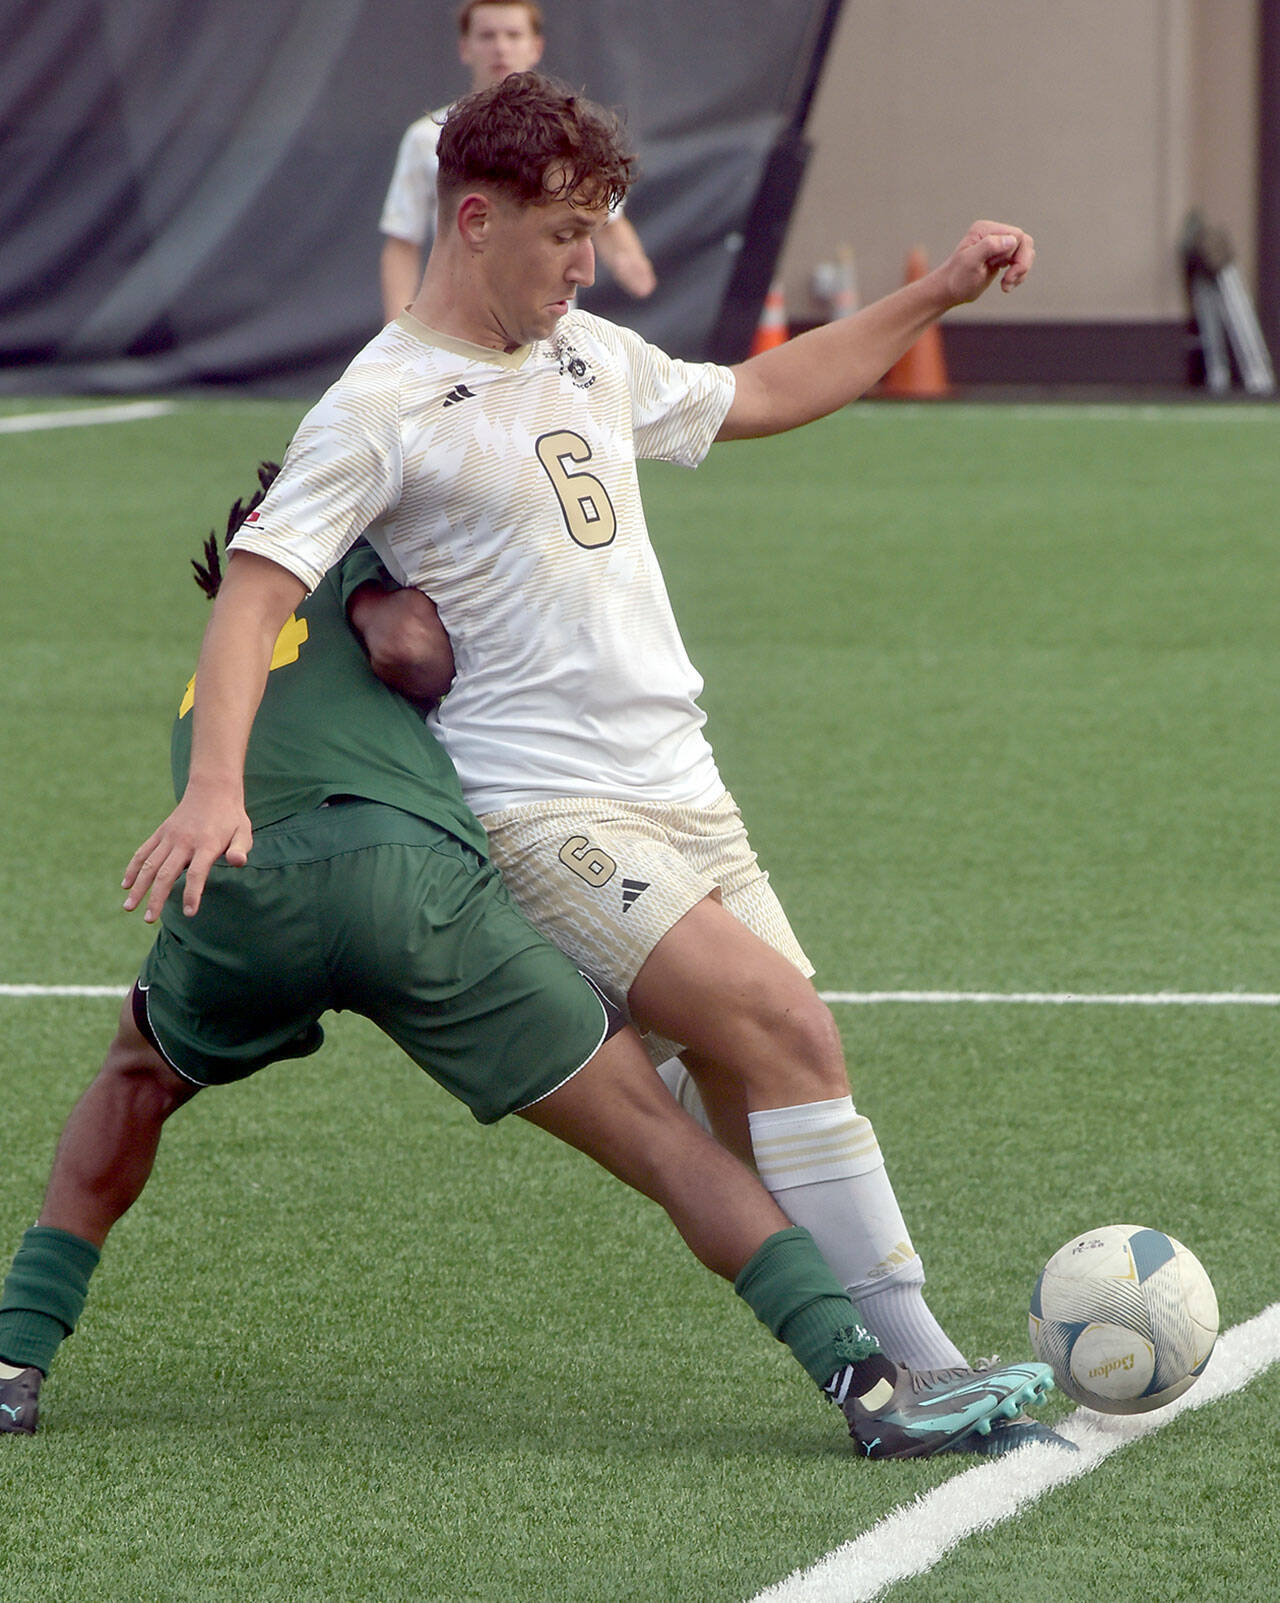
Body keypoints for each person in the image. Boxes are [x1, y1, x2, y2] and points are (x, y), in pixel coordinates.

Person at [122, 74, 1066, 1455]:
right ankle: (921, 1373)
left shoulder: (592, 353)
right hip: (544, 805)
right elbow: (253, 593)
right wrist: (214, 787)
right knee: (796, 1032)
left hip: (688, 785)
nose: (586, 260)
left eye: (595, 231)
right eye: (563, 234)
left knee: (755, 1094)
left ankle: (666, 1116)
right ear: (475, 216)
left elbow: (766, 386)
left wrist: (937, 292)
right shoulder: (380, 403)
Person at [0, 475, 1053, 1457]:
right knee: (655, 1132)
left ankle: (14, 1354)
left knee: (134, 1079)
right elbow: (410, 645)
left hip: (238, 888)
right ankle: (869, 1385)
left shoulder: (222, 659)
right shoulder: (343, 556)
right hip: (406, 879)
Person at [378, 0, 655, 322]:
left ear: (535, 47)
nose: (500, 48)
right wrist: (395, 325)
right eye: (487, 36)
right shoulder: (425, 138)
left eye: (513, 35)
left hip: (546, 328)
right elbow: (402, 242)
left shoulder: (567, 138)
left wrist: (630, 261)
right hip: (463, 326)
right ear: (465, 48)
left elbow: (604, 220)